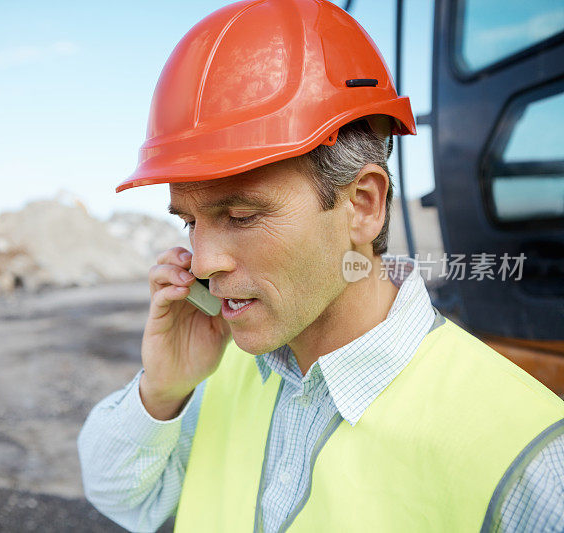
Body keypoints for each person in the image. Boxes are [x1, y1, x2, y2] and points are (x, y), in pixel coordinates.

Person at [78, 1, 564, 531]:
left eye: (240, 215)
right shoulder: (221, 371)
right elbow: (120, 497)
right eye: (190, 222)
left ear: (362, 205)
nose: (205, 261)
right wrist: (163, 389)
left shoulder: (526, 459)